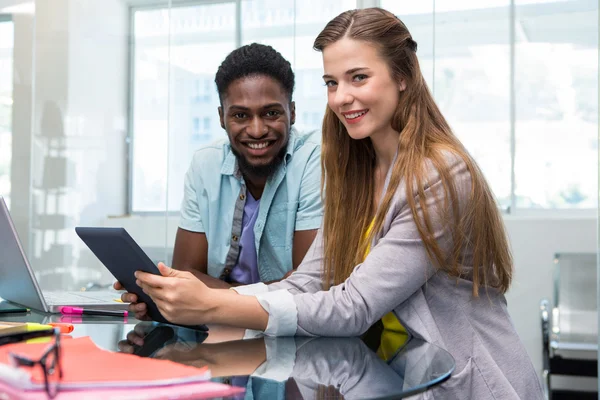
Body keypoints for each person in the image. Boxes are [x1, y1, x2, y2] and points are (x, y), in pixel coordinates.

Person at [130, 8, 544, 398]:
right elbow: (307, 283)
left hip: (470, 385)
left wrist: (213, 303)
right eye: (332, 82)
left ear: (403, 77)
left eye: (358, 77)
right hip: (397, 378)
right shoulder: (354, 173)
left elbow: (354, 306)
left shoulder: (441, 173)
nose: (342, 97)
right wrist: (188, 300)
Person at [117, 43, 323, 318]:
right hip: (218, 331)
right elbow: (187, 271)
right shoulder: (205, 164)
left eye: (271, 113)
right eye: (240, 115)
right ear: (221, 118)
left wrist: (202, 300)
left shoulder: (314, 159)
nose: (257, 130)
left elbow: (308, 287)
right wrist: (170, 296)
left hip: (295, 337)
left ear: (292, 112)